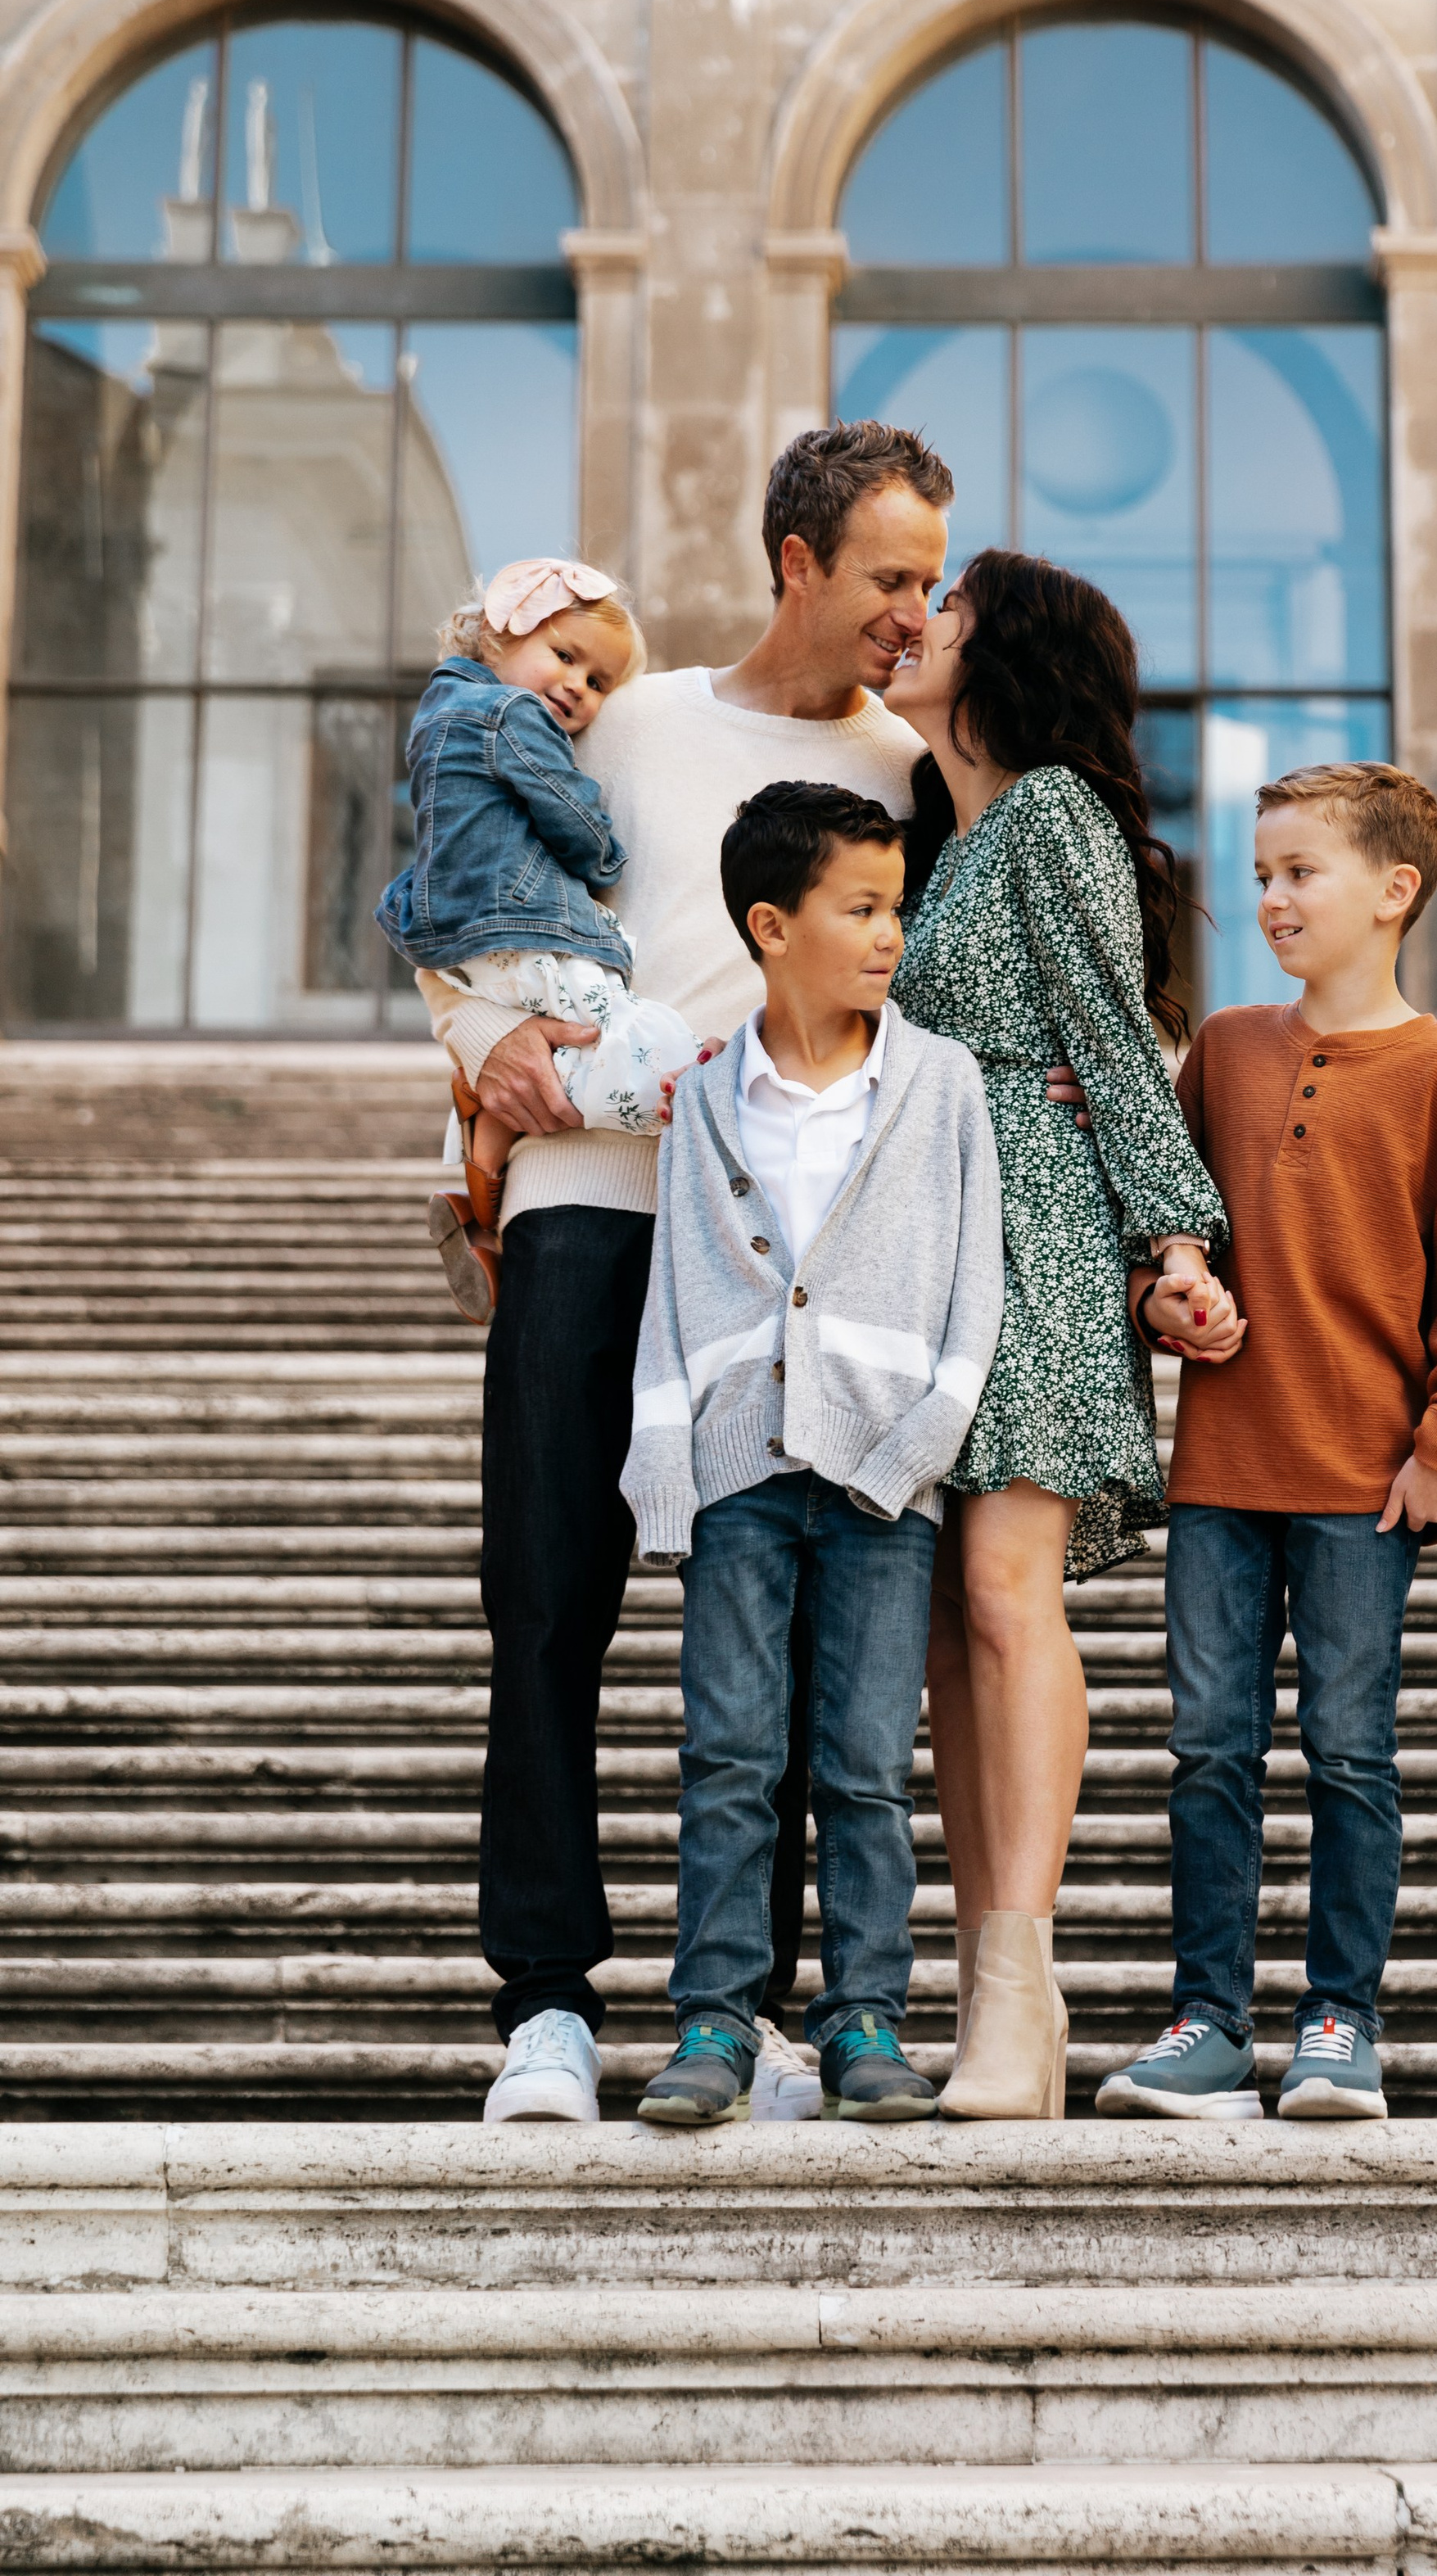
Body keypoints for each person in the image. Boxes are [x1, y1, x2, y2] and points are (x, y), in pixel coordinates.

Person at [432, 422, 951, 2128]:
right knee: (550, 1597)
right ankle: (547, 2006)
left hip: (790, 1251)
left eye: (928, 582)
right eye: (888, 577)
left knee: (786, 1637)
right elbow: (477, 903)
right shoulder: (628, 724)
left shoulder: (910, 770)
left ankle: (764, 2010)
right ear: (794, 561)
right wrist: (488, 1046)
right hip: (594, 1204)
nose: (910, 612)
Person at [1098, 764, 1437, 2126]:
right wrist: (1167, 1296)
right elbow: (1171, 1240)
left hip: (1363, 1485)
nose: (1270, 897)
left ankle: (1340, 2019)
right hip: (1221, 1474)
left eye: (1301, 873)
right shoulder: (1223, 1047)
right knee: (1209, 1752)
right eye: (1263, 872)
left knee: (1351, 1754)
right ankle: (1208, 2024)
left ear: (1394, 892)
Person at [885, 550, 1234, 2122]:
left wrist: (1177, 1241)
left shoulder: (1052, 817)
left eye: (941, 612)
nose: (913, 631)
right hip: (925, 1241)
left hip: (1036, 1230)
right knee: (956, 1626)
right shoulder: (937, 848)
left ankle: (1020, 1992)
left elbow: (1114, 1020)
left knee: (1009, 1597)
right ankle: (984, 1974)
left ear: (1002, 650)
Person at [619, 783, 1005, 2127]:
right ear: (773, 927)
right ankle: (717, 2023)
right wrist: (665, 1470)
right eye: (863, 908)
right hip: (737, 1476)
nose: (891, 933)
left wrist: (923, 1445)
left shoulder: (939, 1082)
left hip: (881, 1473)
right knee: (730, 1753)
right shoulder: (710, 1098)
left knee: (857, 1763)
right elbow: (674, 1293)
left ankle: (865, 2022)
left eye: (897, 906)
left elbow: (975, 1288)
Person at [377, 559, 698, 1325]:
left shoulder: (436, 712)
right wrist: (607, 859)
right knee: (619, 1037)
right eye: (566, 657)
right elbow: (569, 810)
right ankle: (694, 1097)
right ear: (501, 628)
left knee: (535, 1063)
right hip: (522, 927)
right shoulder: (510, 719)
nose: (578, 689)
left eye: (599, 683)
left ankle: (477, 1202)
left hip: (459, 940)